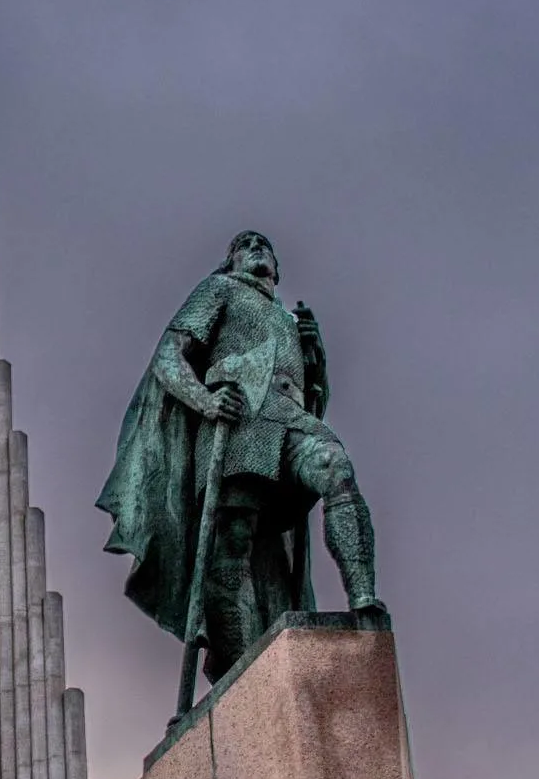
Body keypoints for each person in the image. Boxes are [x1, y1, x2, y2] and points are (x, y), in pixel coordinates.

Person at [97, 230, 382, 682]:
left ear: (276, 265)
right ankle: (245, 669)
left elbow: (312, 399)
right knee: (231, 547)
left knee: (335, 467)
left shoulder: (290, 320)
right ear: (230, 262)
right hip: (238, 424)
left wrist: (316, 356)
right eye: (244, 246)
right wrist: (205, 401)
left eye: (263, 245)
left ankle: (364, 598)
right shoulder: (220, 290)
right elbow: (169, 355)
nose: (255, 249)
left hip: (289, 420)